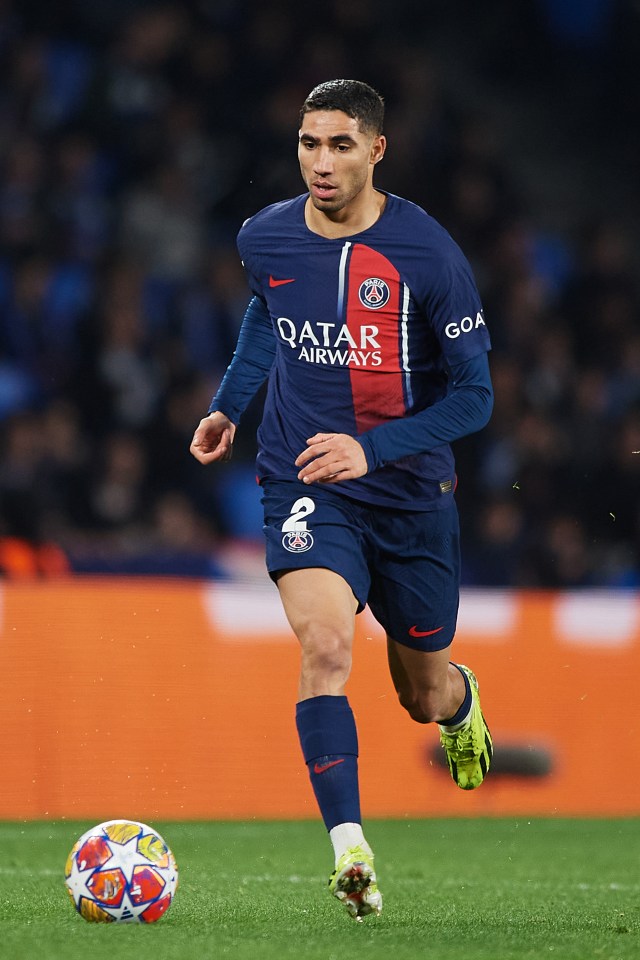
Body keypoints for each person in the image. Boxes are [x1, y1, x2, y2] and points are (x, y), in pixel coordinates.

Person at [190, 79, 494, 921]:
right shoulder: (266, 235)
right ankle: (349, 849)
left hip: (408, 491)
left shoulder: (429, 256)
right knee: (324, 645)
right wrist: (229, 404)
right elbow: (267, 312)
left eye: (340, 146)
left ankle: (459, 701)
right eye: (308, 144)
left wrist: (373, 447)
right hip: (303, 477)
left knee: (419, 696)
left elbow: (476, 398)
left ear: (376, 150)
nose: (320, 163)